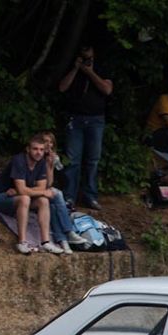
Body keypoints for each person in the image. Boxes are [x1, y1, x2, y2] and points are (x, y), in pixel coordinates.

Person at [0, 135, 64, 255]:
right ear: (28, 149)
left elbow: (40, 187)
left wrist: (24, 190)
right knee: (25, 198)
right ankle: (22, 242)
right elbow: (29, 190)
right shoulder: (19, 160)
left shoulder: (41, 162)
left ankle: (46, 242)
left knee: (43, 201)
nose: (39, 152)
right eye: (35, 149)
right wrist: (36, 191)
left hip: (16, 197)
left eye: (41, 150)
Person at [58, 45, 112, 211]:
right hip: (75, 118)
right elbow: (62, 87)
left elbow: (107, 89)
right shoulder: (73, 68)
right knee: (72, 159)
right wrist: (76, 68)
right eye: (84, 57)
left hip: (96, 119)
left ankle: (90, 196)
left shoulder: (102, 68)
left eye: (89, 57)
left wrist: (90, 72)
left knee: (93, 160)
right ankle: (69, 196)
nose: (86, 60)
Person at [37, 130, 89, 254]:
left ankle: (63, 241)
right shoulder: (37, 156)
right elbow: (46, 185)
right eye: (45, 141)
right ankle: (69, 231)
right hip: (36, 189)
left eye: (51, 142)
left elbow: (49, 182)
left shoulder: (53, 158)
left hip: (45, 189)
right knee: (58, 194)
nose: (48, 144)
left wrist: (50, 165)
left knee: (53, 207)